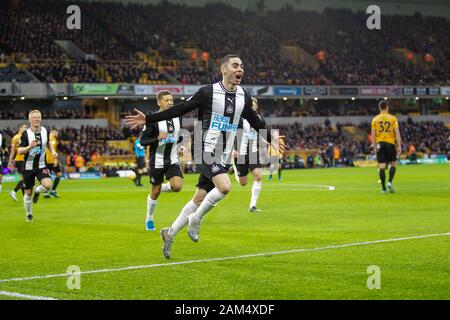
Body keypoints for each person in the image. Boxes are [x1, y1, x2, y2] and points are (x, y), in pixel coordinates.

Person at [125, 54, 284, 259]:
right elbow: (179, 109)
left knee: (199, 198)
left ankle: (170, 233)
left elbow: (255, 121)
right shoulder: (208, 92)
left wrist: (271, 138)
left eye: (242, 66)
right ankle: (196, 219)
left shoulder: (243, 95)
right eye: (235, 65)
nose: (240, 69)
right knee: (225, 187)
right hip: (204, 149)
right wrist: (148, 118)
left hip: (224, 155)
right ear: (223, 69)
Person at [139, 91, 185, 231]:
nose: (170, 102)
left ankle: (163, 187)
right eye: (166, 100)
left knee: (177, 187)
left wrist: (179, 147)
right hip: (157, 160)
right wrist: (157, 138)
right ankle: (149, 218)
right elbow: (143, 141)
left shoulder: (177, 116)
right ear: (159, 102)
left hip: (172, 158)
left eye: (171, 100)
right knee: (155, 192)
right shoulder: (152, 119)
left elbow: (177, 137)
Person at [18, 110, 58, 222]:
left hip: (41, 165)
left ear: (41, 118)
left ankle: (37, 190)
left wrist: (53, 151)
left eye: (38, 117)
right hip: (28, 167)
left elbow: (48, 143)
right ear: (30, 120)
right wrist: (29, 147)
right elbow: (20, 151)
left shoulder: (45, 130)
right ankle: (29, 214)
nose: (37, 119)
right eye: (34, 117)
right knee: (28, 193)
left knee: (48, 185)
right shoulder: (25, 134)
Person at [234, 97, 265, 212]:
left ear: (256, 106)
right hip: (240, 153)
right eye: (250, 104)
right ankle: (234, 168)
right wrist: (232, 149)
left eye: (254, 104)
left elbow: (263, 133)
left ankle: (252, 205)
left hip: (253, 152)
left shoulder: (259, 119)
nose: (252, 106)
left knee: (258, 176)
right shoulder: (240, 119)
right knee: (243, 183)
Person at [371, 100, 402, 193]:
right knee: (393, 164)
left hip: (380, 143)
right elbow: (397, 133)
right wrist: (399, 146)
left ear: (379, 108)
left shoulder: (375, 119)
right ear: (387, 107)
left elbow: (373, 135)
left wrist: (374, 146)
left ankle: (383, 188)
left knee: (381, 166)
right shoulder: (393, 118)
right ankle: (389, 182)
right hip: (390, 143)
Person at [8, 124, 27, 201]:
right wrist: (10, 161)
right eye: (24, 127)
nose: (26, 128)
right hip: (20, 160)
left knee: (23, 178)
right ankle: (14, 191)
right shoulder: (16, 137)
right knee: (25, 178)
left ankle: (24, 197)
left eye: (26, 127)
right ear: (20, 128)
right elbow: (12, 151)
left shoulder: (25, 136)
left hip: (23, 159)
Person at [44, 129, 63, 198]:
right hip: (49, 161)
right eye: (57, 133)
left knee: (58, 174)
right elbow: (51, 150)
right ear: (54, 132)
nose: (58, 135)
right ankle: (48, 192)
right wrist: (55, 159)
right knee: (48, 176)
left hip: (50, 160)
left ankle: (51, 191)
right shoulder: (52, 139)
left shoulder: (51, 139)